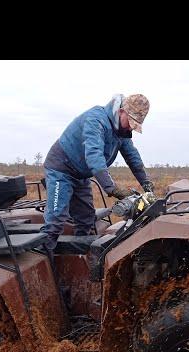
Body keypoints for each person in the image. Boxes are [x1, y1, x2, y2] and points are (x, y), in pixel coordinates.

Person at [40, 93, 154, 251]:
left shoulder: (122, 131)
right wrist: (112, 188)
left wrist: (147, 184)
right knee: (57, 217)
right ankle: (43, 260)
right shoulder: (96, 120)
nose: (130, 128)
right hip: (61, 168)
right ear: (122, 111)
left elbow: (133, 157)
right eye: (131, 123)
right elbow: (94, 156)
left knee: (86, 218)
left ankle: (78, 261)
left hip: (81, 174)